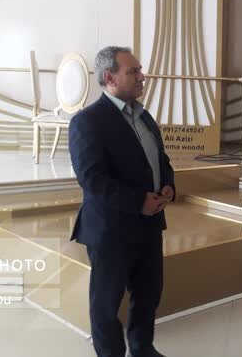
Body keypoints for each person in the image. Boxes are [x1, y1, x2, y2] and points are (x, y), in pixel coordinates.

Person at [69, 46, 174, 357]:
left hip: (149, 225)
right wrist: (138, 201)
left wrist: (168, 186)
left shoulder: (143, 115)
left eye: (139, 70)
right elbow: (92, 180)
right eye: (133, 72)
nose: (142, 77)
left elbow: (160, 160)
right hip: (111, 229)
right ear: (110, 77)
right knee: (106, 305)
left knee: (148, 294)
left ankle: (142, 349)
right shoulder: (88, 121)